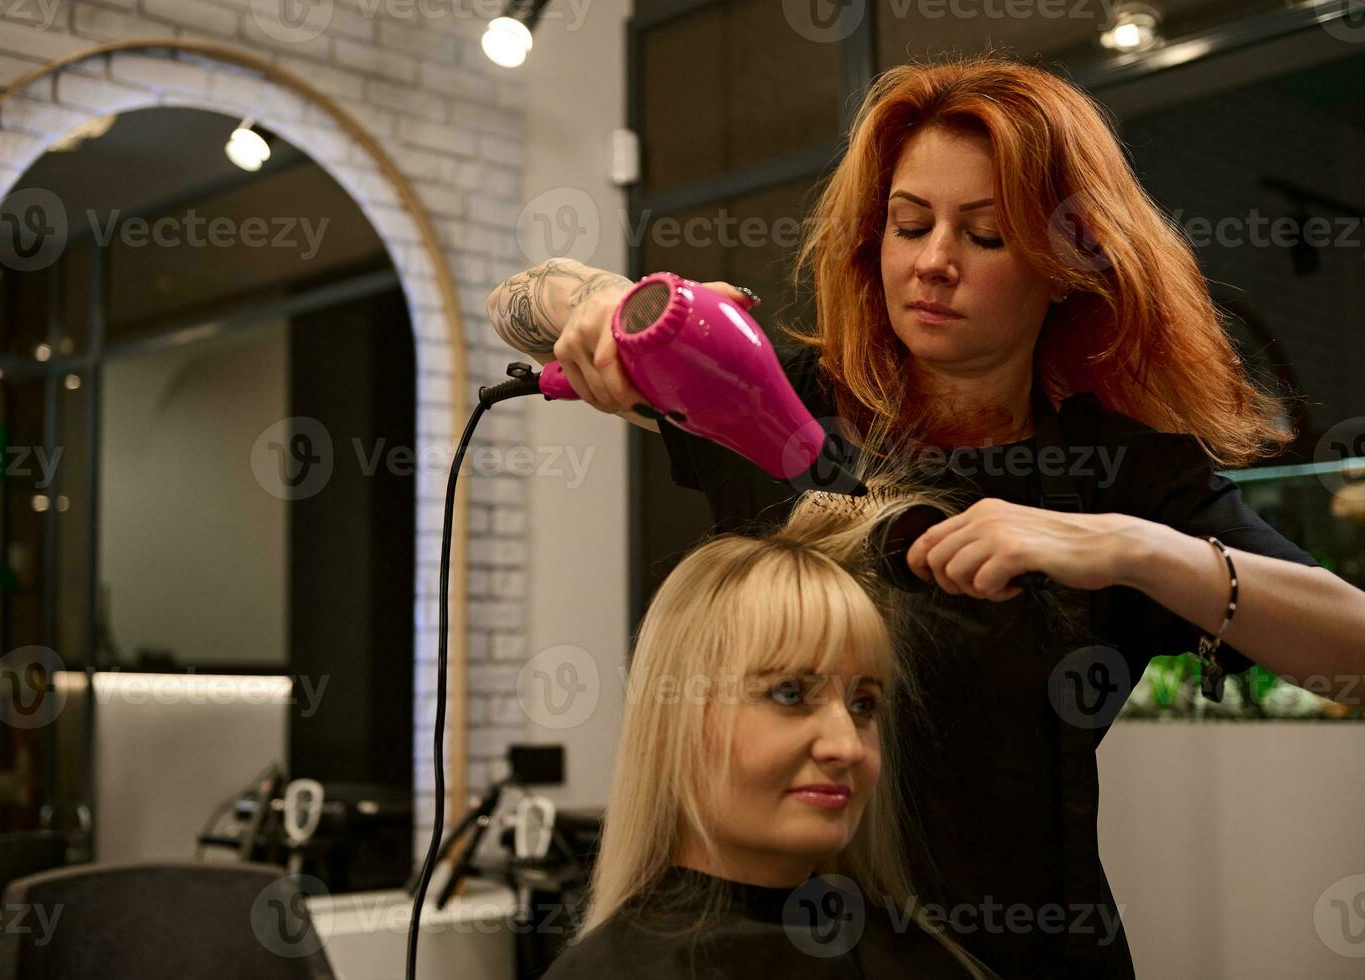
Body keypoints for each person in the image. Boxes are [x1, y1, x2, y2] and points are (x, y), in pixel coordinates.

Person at [491, 53, 1365, 978]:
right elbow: (519, 304)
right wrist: (597, 302)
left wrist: (1131, 549)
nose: (932, 262)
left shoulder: (1122, 476)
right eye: (908, 225)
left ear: (1065, 262)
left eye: (984, 236)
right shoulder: (770, 403)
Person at [542, 471, 995, 979]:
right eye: (789, 693)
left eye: (863, 705)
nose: (846, 747)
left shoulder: (923, 961)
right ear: (677, 722)